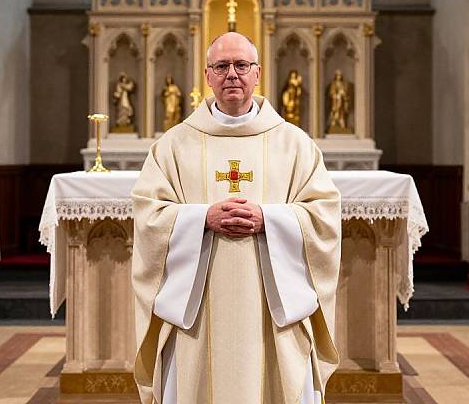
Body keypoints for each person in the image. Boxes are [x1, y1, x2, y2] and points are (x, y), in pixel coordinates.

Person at [132, 32, 341, 404]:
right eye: (222, 66)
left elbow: (322, 215)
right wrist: (201, 218)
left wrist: (268, 219)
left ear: (257, 73)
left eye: (241, 65)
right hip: (198, 308)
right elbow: (150, 215)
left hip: (271, 305)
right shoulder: (173, 145)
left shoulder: (294, 144)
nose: (232, 74)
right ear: (207, 76)